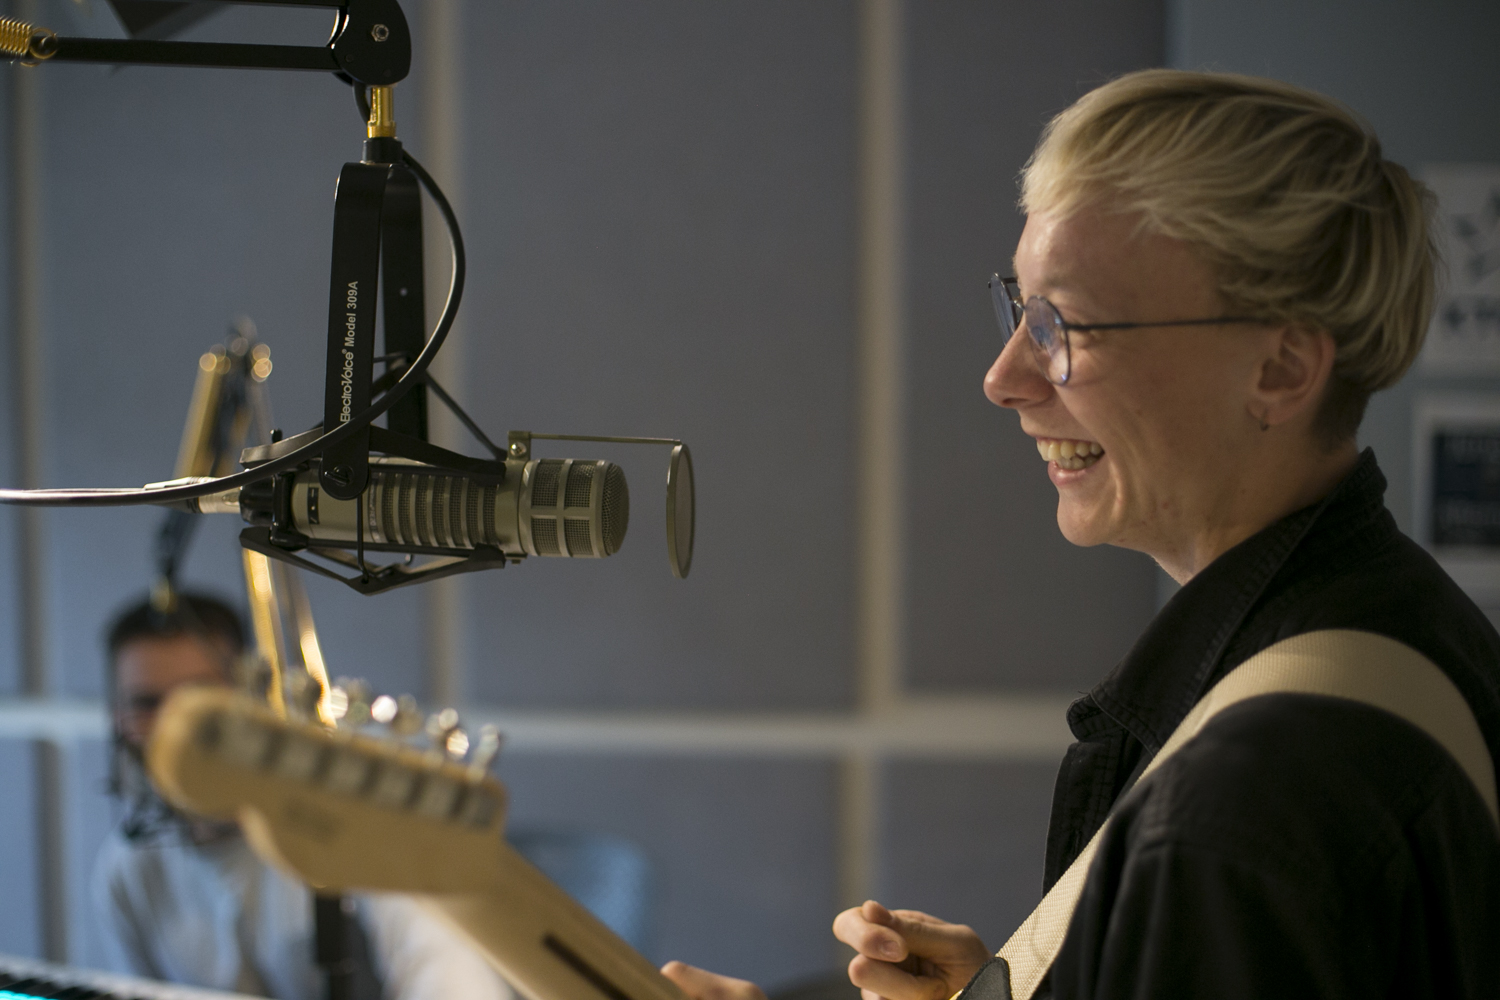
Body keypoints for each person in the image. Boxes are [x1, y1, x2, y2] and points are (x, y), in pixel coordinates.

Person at [661, 70, 1500, 1000]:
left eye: (1067, 324)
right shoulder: (1410, 627)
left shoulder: (1243, 810)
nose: (1005, 376)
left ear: (1280, 367)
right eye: (1020, 310)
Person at [93, 591, 516, 1000]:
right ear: (116, 717)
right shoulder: (128, 871)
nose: (175, 732)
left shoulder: (355, 822)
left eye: (199, 704)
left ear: (247, 695)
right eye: (147, 704)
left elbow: (454, 980)